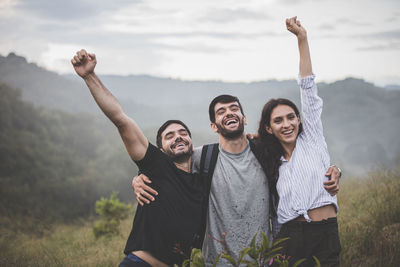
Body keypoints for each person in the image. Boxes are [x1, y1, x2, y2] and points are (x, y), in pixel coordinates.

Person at [133, 79, 341, 264]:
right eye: (221, 112)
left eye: (234, 108)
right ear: (214, 126)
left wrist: (334, 170)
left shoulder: (265, 152)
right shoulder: (202, 157)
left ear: (244, 118)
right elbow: (166, 166)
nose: (229, 113)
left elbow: (301, 163)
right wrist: (139, 179)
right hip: (218, 261)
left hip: (263, 258)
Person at [71, 50, 206, 267]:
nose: (178, 136)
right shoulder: (157, 167)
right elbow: (121, 119)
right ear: (160, 150)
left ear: (191, 140)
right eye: (169, 136)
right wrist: (89, 76)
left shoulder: (202, 180)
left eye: (182, 132)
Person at [256, 17, 341, 266]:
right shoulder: (271, 160)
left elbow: (307, 87)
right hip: (289, 237)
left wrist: (302, 39)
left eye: (291, 117)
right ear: (269, 129)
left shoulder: (312, 138)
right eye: (279, 121)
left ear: (300, 119)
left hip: (324, 232)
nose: (287, 124)